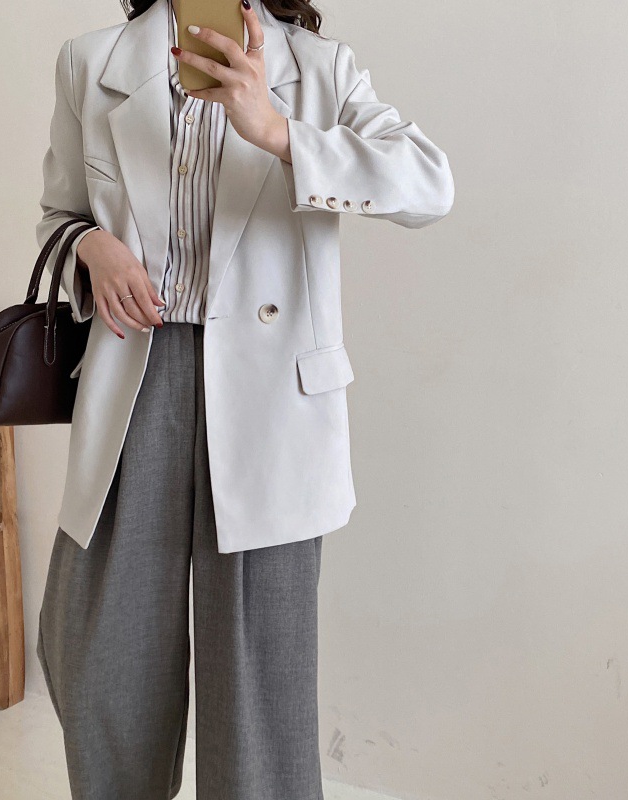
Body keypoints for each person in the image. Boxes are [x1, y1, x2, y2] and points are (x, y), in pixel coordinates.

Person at [35, 0, 455, 797]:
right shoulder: (91, 62)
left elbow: (429, 185)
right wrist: (92, 246)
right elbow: (59, 213)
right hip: (136, 375)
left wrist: (277, 130)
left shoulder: (320, 68)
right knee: (102, 650)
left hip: (271, 398)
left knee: (258, 673)